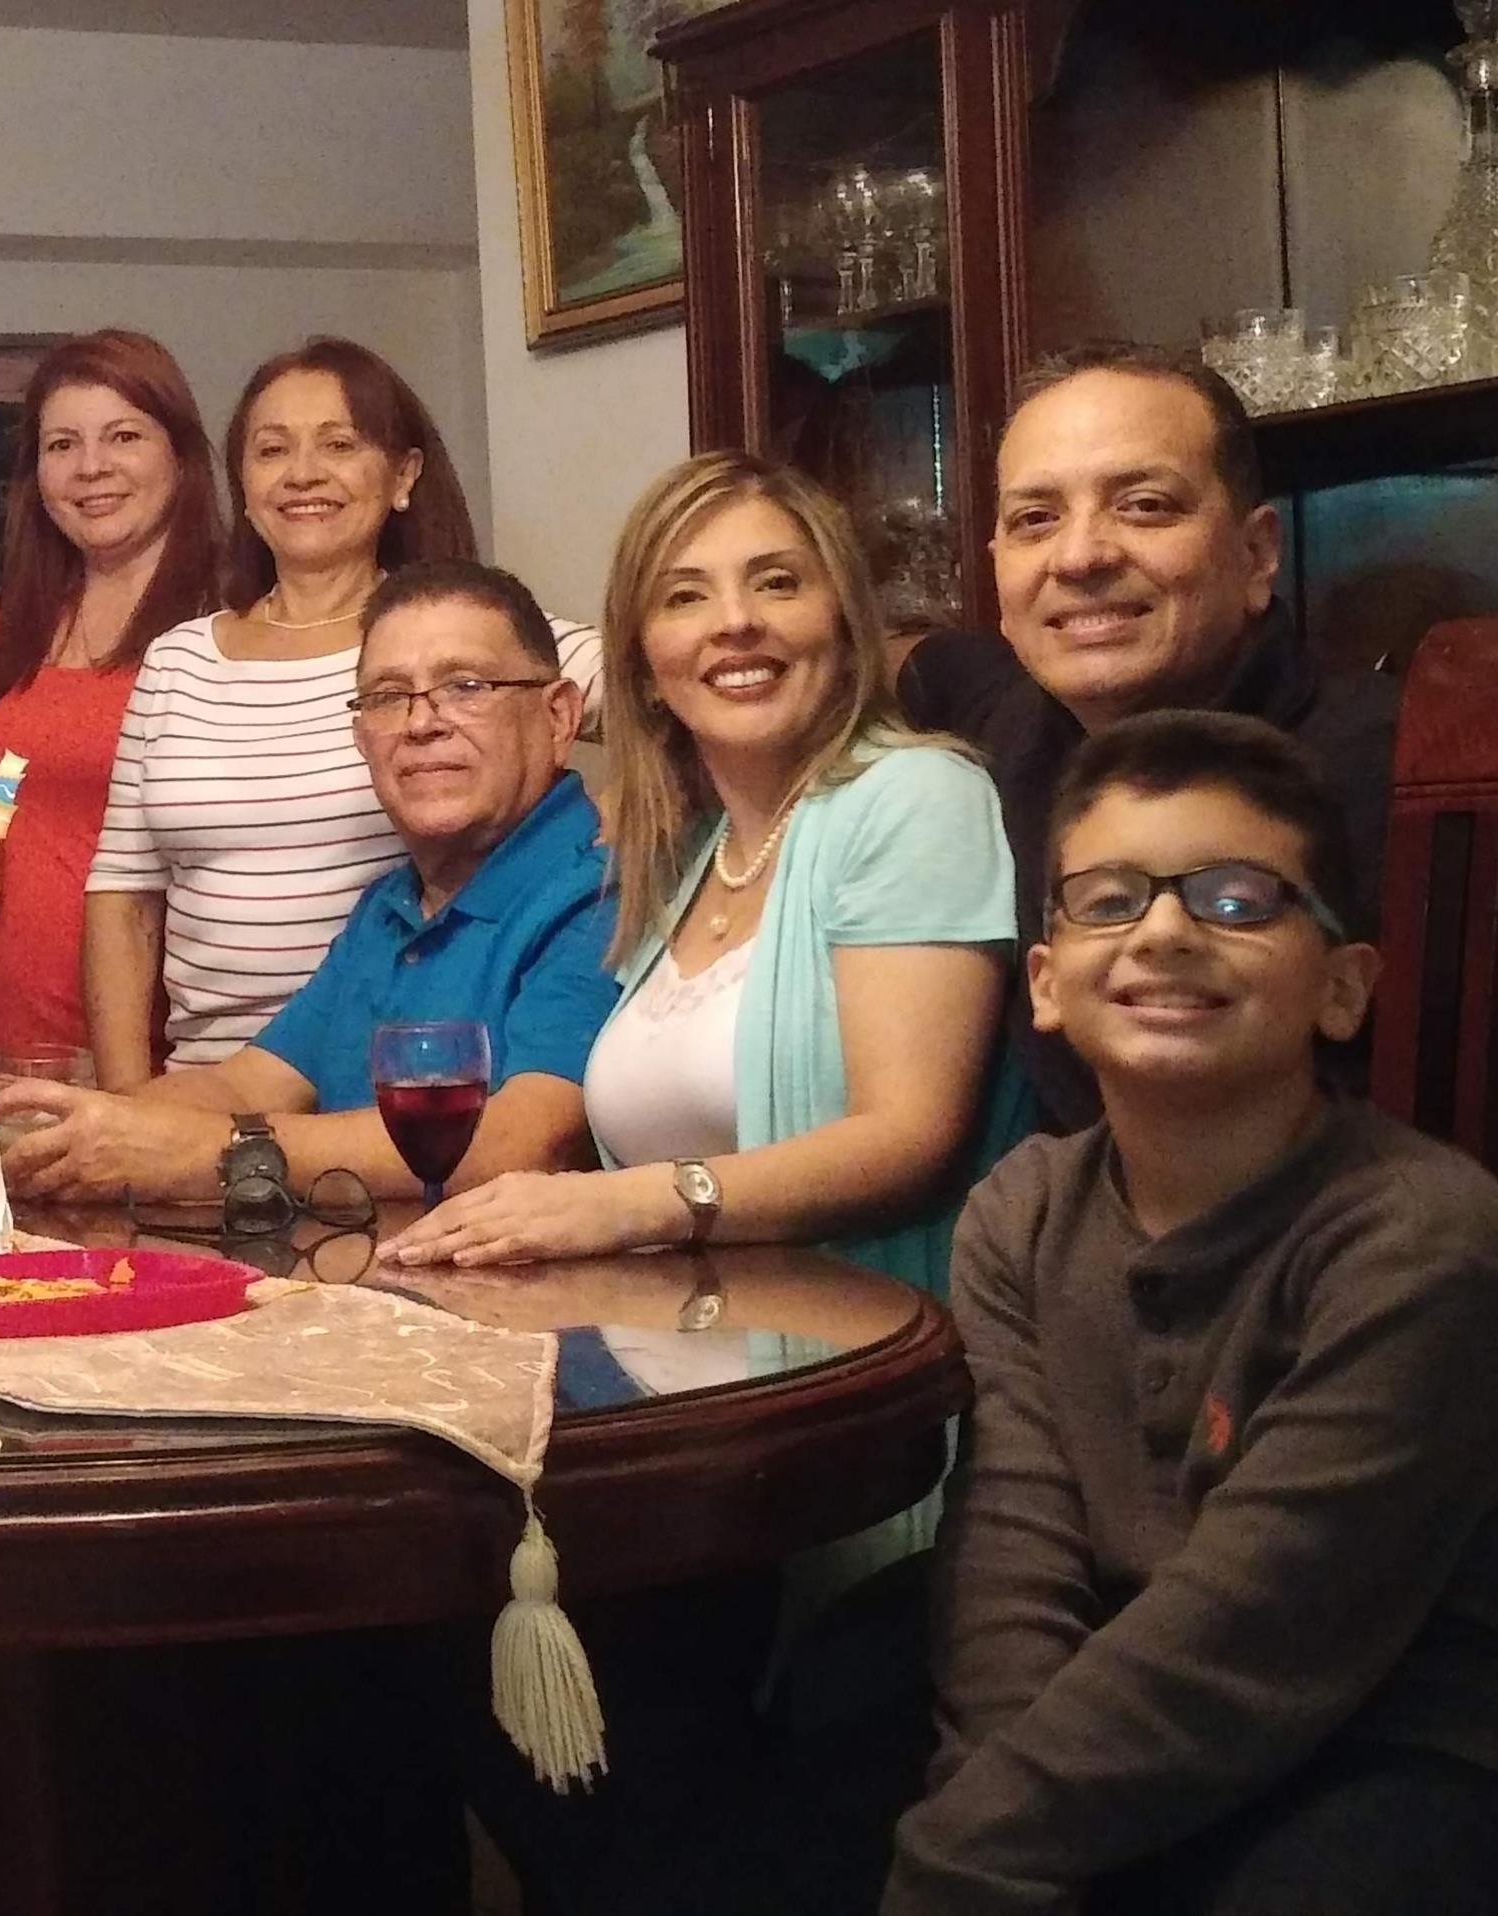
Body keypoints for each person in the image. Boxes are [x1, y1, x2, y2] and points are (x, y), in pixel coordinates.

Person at [890, 712, 1498, 1912]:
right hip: (1111, 1700)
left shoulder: (1421, 1233)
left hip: (1383, 1724)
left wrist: (968, 1856)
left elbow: (1266, 1621)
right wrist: (995, 1830)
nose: (1163, 929)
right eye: (1108, 898)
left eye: (1235, 899)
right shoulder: (1018, 1209)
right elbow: (1014, 1544)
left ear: (1340, 987)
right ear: (1047, 983)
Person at [383, 452, 1020, 1296]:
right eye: (685, 597)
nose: (736, 623)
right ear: (644, 665)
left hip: (859, 1364)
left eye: (778, 584)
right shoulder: (684, 859)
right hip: (673, 1356)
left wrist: (624, 1204)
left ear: (841, 619)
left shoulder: (914, 795)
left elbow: (906, 1138)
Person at [896, 340, 1401, 1133]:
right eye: (1036, 519)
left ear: (1257, 552)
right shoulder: (997, 731)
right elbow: (923, 664)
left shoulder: (1403, 771)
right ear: (995, 571)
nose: (1080, 555)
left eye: (1144, 506)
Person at [0, 560, 615, 1205]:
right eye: (387, 697)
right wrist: (74, 1123)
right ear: (360, 737)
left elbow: (520, 1147)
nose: (422, 722)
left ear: (559, 717)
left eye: (466, 685)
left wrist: (208, 1156)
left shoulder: (600, 893)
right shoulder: (390, 906)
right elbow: (245, 1085)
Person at [82, 337, 484, 1085]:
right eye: (272, 450)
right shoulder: (177, 660)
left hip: (393, 1091)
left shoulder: (455, 637)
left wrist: (603, 840)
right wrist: (131, 1104)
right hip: (203, 1094)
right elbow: (124, 898)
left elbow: (644, 694)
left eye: (338, 444)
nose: (303, 474)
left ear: (403, 475)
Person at [0, 329, 224, 1068]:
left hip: (168, 1050)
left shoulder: (234, 618)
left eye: (124, 436)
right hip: (10, 1036)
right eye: (62, 444)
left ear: (180, 453)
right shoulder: (5, 621)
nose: (91, 468)